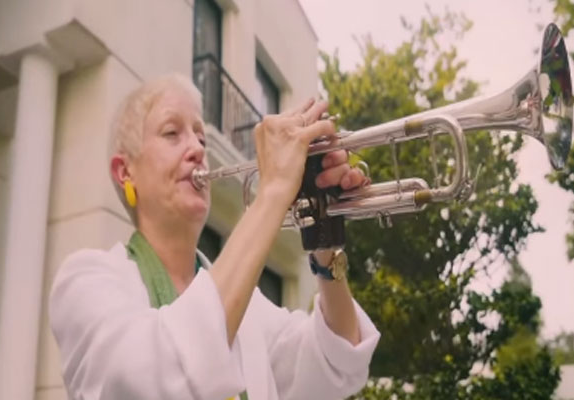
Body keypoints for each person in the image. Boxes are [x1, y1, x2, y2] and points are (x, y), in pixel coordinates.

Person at [49, 74, 380, 400]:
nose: (196, 148)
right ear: (125, 172)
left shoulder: (251, 309)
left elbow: (338, 364)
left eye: (201, 139)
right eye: (171, 133)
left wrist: (323, 237)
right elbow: (149, 380)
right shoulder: (86, 280)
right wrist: (274, 191)